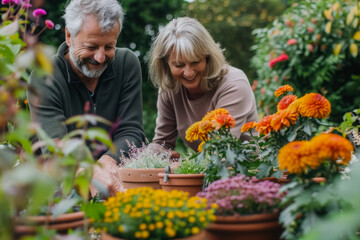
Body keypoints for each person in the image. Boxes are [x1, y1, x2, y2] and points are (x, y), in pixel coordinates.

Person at [27, 0, 145, 196]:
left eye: (109, 46)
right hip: (59, 193)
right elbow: (56, 147)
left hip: (116, 183)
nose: (100, 57)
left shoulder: (127, 64)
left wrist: (109, 159)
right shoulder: (43, 77)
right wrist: (91, 172)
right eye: (91, 46)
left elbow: (131, 130)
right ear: (69, 36)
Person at [148, 17, 258, 153]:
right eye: (179, 65)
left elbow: (221, 149)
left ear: (208, 57)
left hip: (247, 169)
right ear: (165, 64)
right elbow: (162, 144)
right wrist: (145, 156)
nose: (188, 73)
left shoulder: (233, 84)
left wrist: (181, 167)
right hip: (209, 170)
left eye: (195, 62)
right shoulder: (170, 89)